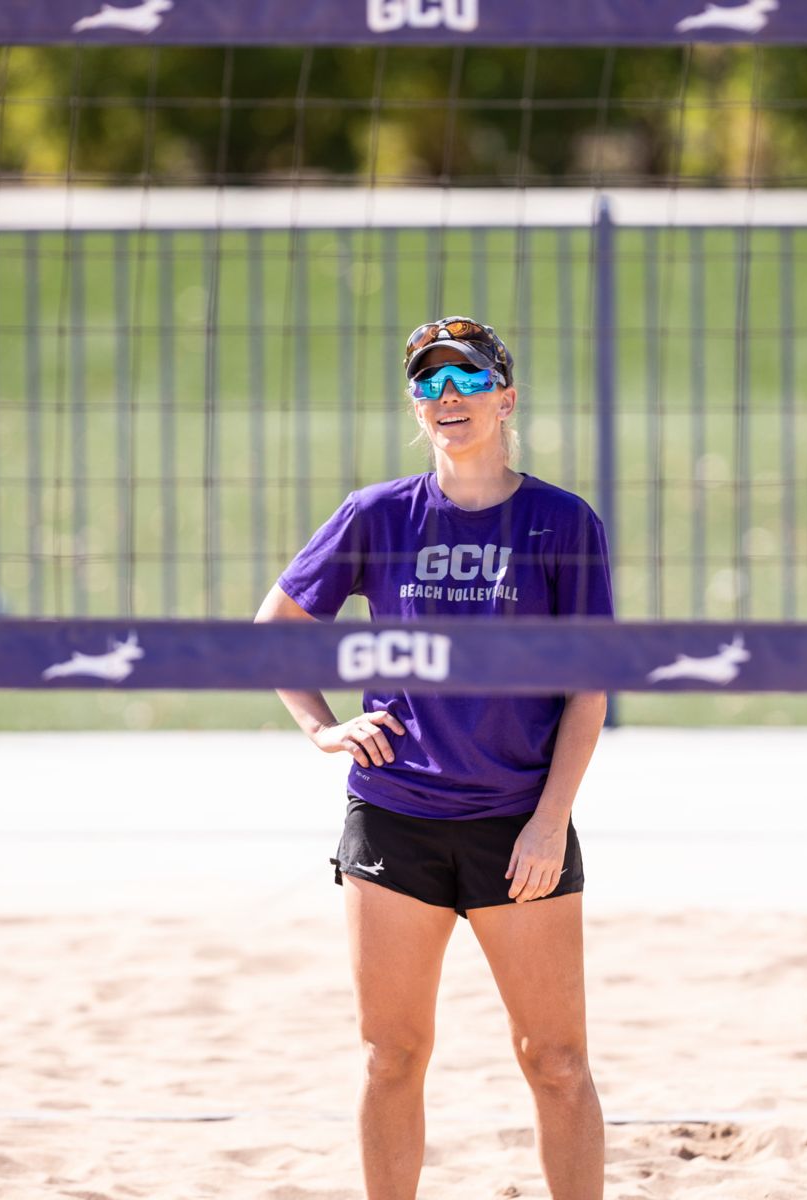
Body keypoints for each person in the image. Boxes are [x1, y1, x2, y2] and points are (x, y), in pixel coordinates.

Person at [253, 315, 612, 1200]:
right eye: (428, 383)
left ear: (507, 396)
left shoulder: (563, 522)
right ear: (416, 407)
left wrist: (549, 821)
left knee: (557, 1060)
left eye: (466, 379)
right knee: (391, 1056)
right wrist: (322, 728)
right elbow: (274, 633)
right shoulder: (376, 515)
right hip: (395, 815)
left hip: (516, 824)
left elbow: (589, 688)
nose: (447, 398)